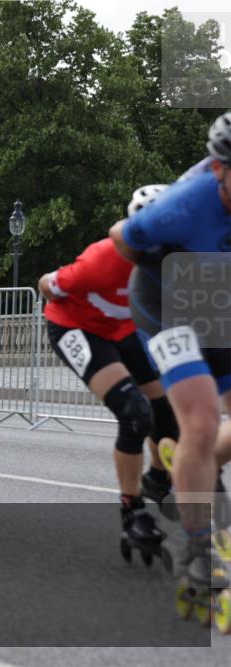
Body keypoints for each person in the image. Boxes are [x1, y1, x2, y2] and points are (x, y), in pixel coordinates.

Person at [109, 111, 231, 598]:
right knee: (200, 422)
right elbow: (123, 236)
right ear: (219, 170)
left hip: (216, 292)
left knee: (200, 443)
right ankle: (199, 553)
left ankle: (189, 461)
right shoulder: (183, 204)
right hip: (163, 298)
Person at [39, 185, 181, 561]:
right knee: (134, 412)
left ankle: (156, 479)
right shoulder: (100, 261)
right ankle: (131, 508)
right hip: (76, 326)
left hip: (125, 329)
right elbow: (47, 285)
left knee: (167, 417)